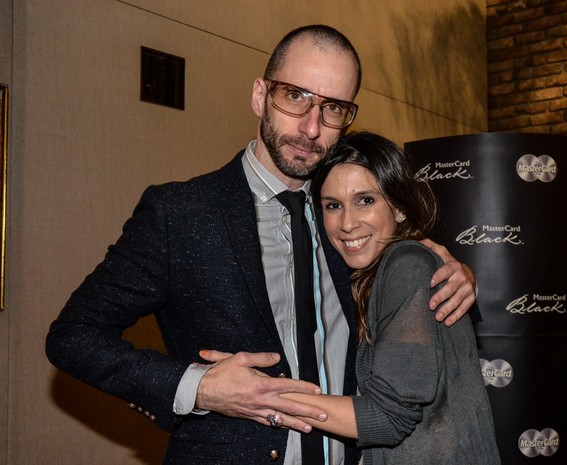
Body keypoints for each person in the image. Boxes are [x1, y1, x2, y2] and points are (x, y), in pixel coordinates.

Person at [45, 25, 478, 465]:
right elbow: (73, 337)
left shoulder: (351, 224)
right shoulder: (181, 214)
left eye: (333, 108)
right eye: (295, 96)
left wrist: (452, 269)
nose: (311, 127)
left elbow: (402, 284)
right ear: (260, 96)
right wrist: (198, 387)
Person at [265, 131, 498, 464]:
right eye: (333, 206)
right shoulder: (373, 273)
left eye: (365, 200)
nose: (347, 223)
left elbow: (388, 418)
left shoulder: (406, 264)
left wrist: (268, 396)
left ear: (400, 206)